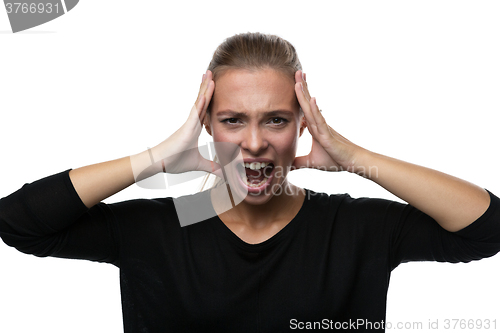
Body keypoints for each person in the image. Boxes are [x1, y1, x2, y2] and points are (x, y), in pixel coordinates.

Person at [1, 32, 499, 332]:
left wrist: (354, 158)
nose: (255, 143)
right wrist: (154, 159)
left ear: (304, 124)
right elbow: (19, 223)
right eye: (234, 120)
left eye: (277, 120)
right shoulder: (165, 225)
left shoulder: (352, 226)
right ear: (207, 126)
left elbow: (487, 228)